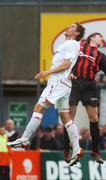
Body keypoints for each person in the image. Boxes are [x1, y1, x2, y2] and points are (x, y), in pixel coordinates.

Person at [7, 22, 85, 166]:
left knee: (39, 108)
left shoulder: (71, 43)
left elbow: (67, 64)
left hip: (58, 82)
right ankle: (77, 148)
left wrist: (47, 72)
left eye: (72, 27)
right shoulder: (71, 45)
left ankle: (24, 139)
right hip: (64, 84)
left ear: (77, 33)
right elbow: (71, 64)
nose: (68, 27)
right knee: (65, 117)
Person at [64, 32, 106, 164]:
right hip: (74, 83)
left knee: (94, 118)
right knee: (69, 118)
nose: (102, 38)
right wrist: (68, 73)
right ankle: (67, 149)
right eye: (100, 36)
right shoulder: (79, 46)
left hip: (89, 86)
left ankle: (96, 151)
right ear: (92, 38)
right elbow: (66, 59)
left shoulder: (100, 56)